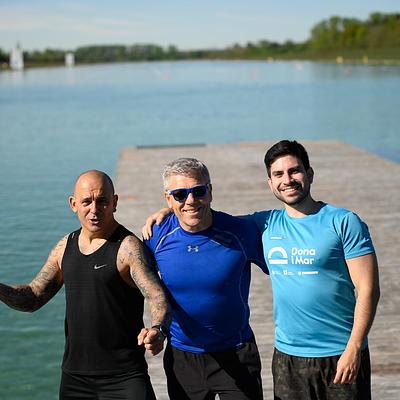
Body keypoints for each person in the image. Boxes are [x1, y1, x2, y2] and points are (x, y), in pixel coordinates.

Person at [143, 141, 380, 400]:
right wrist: (173, 209)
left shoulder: (339, 222)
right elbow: (200, 220)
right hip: (282, 356)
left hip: (330, 351)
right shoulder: (262, 224)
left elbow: (368, 289)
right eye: (278, 174)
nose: (287, 180)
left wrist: (355, 347)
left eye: (294, 171)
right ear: (270, 182)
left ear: (310, 174)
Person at [0, 170, 171, 400]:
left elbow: (156, 295)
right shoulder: (65, 247)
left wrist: (158, 329)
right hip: (75, 379)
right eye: (87, 202)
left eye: (102, 201)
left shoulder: (128, 248)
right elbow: (33, 297)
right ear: (73, 204)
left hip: (124, 378)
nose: (94, 209)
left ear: (115, 202)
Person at [143, 158, 268, 400]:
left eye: (198, 191)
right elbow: (136, 283)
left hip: (237, 352)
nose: (191, 200)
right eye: (180, 194)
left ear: (210, 191)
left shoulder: (241, 232)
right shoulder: (155, 236)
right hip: (182, 357)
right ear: (168, 198)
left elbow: (285, 270)